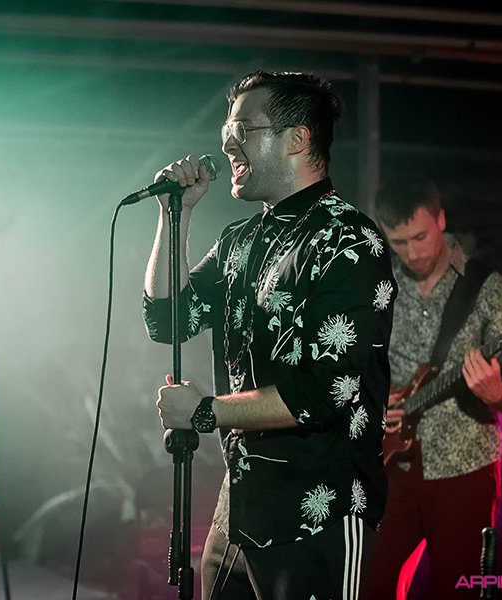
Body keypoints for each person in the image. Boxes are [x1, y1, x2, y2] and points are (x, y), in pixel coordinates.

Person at [142, 71, 396, 600]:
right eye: (225, 131)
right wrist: (174, 218)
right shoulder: (240, 240)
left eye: (242, 129)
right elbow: (169, 320)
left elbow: (324, 392)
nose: (226, 144)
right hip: (239, 511)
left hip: (318, 515)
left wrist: (205, 411)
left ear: (297, 139)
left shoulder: (349, 241)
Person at [364, 176, 502, 599]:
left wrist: (497, 394)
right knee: (370, 584)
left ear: (440, 220)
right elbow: (359, 364)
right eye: (399, 242)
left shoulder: (487, 288)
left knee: (456, 590)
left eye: (421, 237)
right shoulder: (380, 286)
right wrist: (374, 400)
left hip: (465, 468)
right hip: (391, 465)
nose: (413, 253)